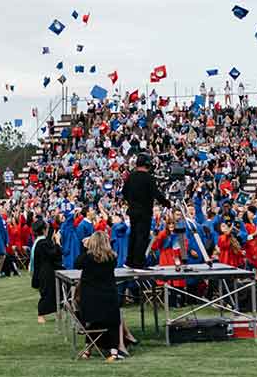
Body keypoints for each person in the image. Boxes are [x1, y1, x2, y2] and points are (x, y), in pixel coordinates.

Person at [75, 231, 124, 362]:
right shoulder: (112, 258)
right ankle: (114, 351)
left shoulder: (87, 258)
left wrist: (84, 247)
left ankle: (87, 349)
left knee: (93, 321)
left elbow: (77, 263)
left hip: (90, 303)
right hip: (108, 301)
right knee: (113, 321)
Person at [121, 155, 169, 269]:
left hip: (132, 210)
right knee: (142, 237)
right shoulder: (149, 178)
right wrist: (165, 202)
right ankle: (139, 263)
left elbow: (124, 192)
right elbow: (156, 193)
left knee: (133, 235)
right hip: (144, 211)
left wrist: (132, 202)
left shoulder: (130, 177)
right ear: (147, 164)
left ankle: (130, 261)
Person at [30, 221, 62, 323]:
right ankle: (41, 315)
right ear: (44, 230)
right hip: (46, 272)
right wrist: (57, 242)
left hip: (45, 270)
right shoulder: (42, 243)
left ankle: (57, 313)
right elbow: (54, 255)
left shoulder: (39, 242)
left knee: (54, 292)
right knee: (47, 293)